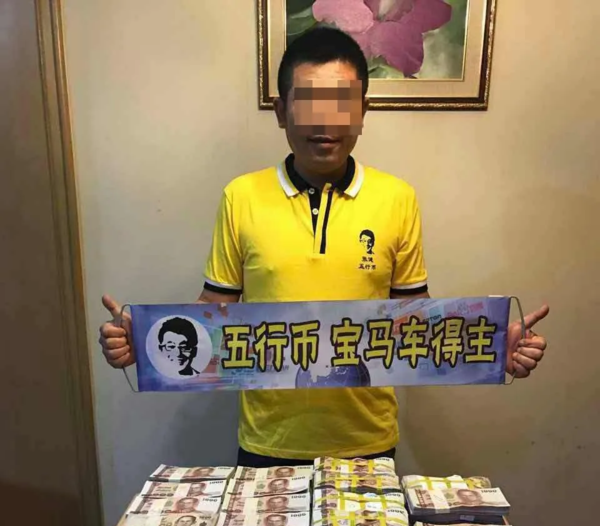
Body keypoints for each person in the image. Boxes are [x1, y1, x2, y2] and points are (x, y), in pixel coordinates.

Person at [99, 27, 548, 467]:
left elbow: (414, 320)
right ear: (281, 111)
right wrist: (147, 341)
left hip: (367, 441)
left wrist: (491, 346)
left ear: (363, 112)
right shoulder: (241, 196)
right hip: (267, 442)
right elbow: (214, 312)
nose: (325, 122)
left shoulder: (397, 198)